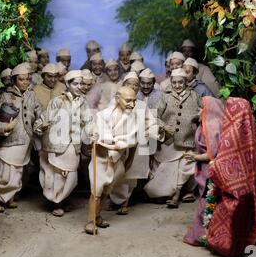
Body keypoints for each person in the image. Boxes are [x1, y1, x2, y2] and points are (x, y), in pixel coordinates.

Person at [203, 98, 256, 257]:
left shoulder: (231, 132)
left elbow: (225, 161)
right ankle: (250, 248)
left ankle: (229, 249)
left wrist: (214, 166)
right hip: (252, 189)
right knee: (248, 220)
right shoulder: (252, 133)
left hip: (235, 190)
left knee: (232, 220)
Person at [0, 63, 43, 213]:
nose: (25, 82)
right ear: (14, 80)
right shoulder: (4, 96)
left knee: (17, 172)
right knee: (2, 172)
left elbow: (39, 113)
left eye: (27, 79)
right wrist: (4, 127)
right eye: (21, 80)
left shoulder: (31, 95)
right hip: (7, 141)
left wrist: (40, 123)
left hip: (25, 141)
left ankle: (10, 196)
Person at [35, 70, 93, 217]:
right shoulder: (58, 101)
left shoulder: (83, 102)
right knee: (58, 175)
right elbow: (43, 119)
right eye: (75, 84)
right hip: (57, 145)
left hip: (74, 145)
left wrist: (91, 133)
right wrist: (41, 126)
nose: (79, 86)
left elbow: (88, 121)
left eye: (81, 83)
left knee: (71, 177)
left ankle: (62, 198)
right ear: (67, 84)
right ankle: (58, 202)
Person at [85, 87, 140, 235]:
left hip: (116, 161)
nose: (132, 105)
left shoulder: (133, 117)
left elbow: (132, 139)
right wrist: (117, 142)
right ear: (117, 99)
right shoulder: (103, 115)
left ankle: (97, 216)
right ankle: (90, 222)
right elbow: (104, 137)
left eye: (134, 101)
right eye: (128, 101)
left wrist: (118, 144)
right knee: (96, 192)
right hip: (101, 159)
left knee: (106, 192)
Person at [144, 68, 201, 207]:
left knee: (184, 168)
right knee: (165, 169)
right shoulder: (165, 97)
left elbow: (203, 112)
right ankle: (164, 193)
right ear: (171, 82)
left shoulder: (194, 96)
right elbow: (153, 115)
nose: (177, 85)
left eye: (180, 82)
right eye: (174, 82)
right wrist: (163, 125)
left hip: (187, 140)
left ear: (186, 82)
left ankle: (177, 194)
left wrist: (199, 117)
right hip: (169, 142)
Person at [109, 74, 159, 215]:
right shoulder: (114, 103)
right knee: (116, 174)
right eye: (129, 84)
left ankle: (125, 202)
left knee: (131, 176)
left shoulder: (142, 105)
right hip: (119, 145)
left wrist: (151, 132)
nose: (133, 87)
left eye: (136, 85)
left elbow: (151, 123)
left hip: (137, 146)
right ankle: (113, 200)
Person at [183, 96, 225, 246]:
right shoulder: (204, 123)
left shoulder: (212, 125)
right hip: (204, 168)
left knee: (208, 202)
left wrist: (196, 157)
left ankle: (206, 234)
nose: (198, 110)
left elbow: (211, 154)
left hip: (211, 170)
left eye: (201, 107)